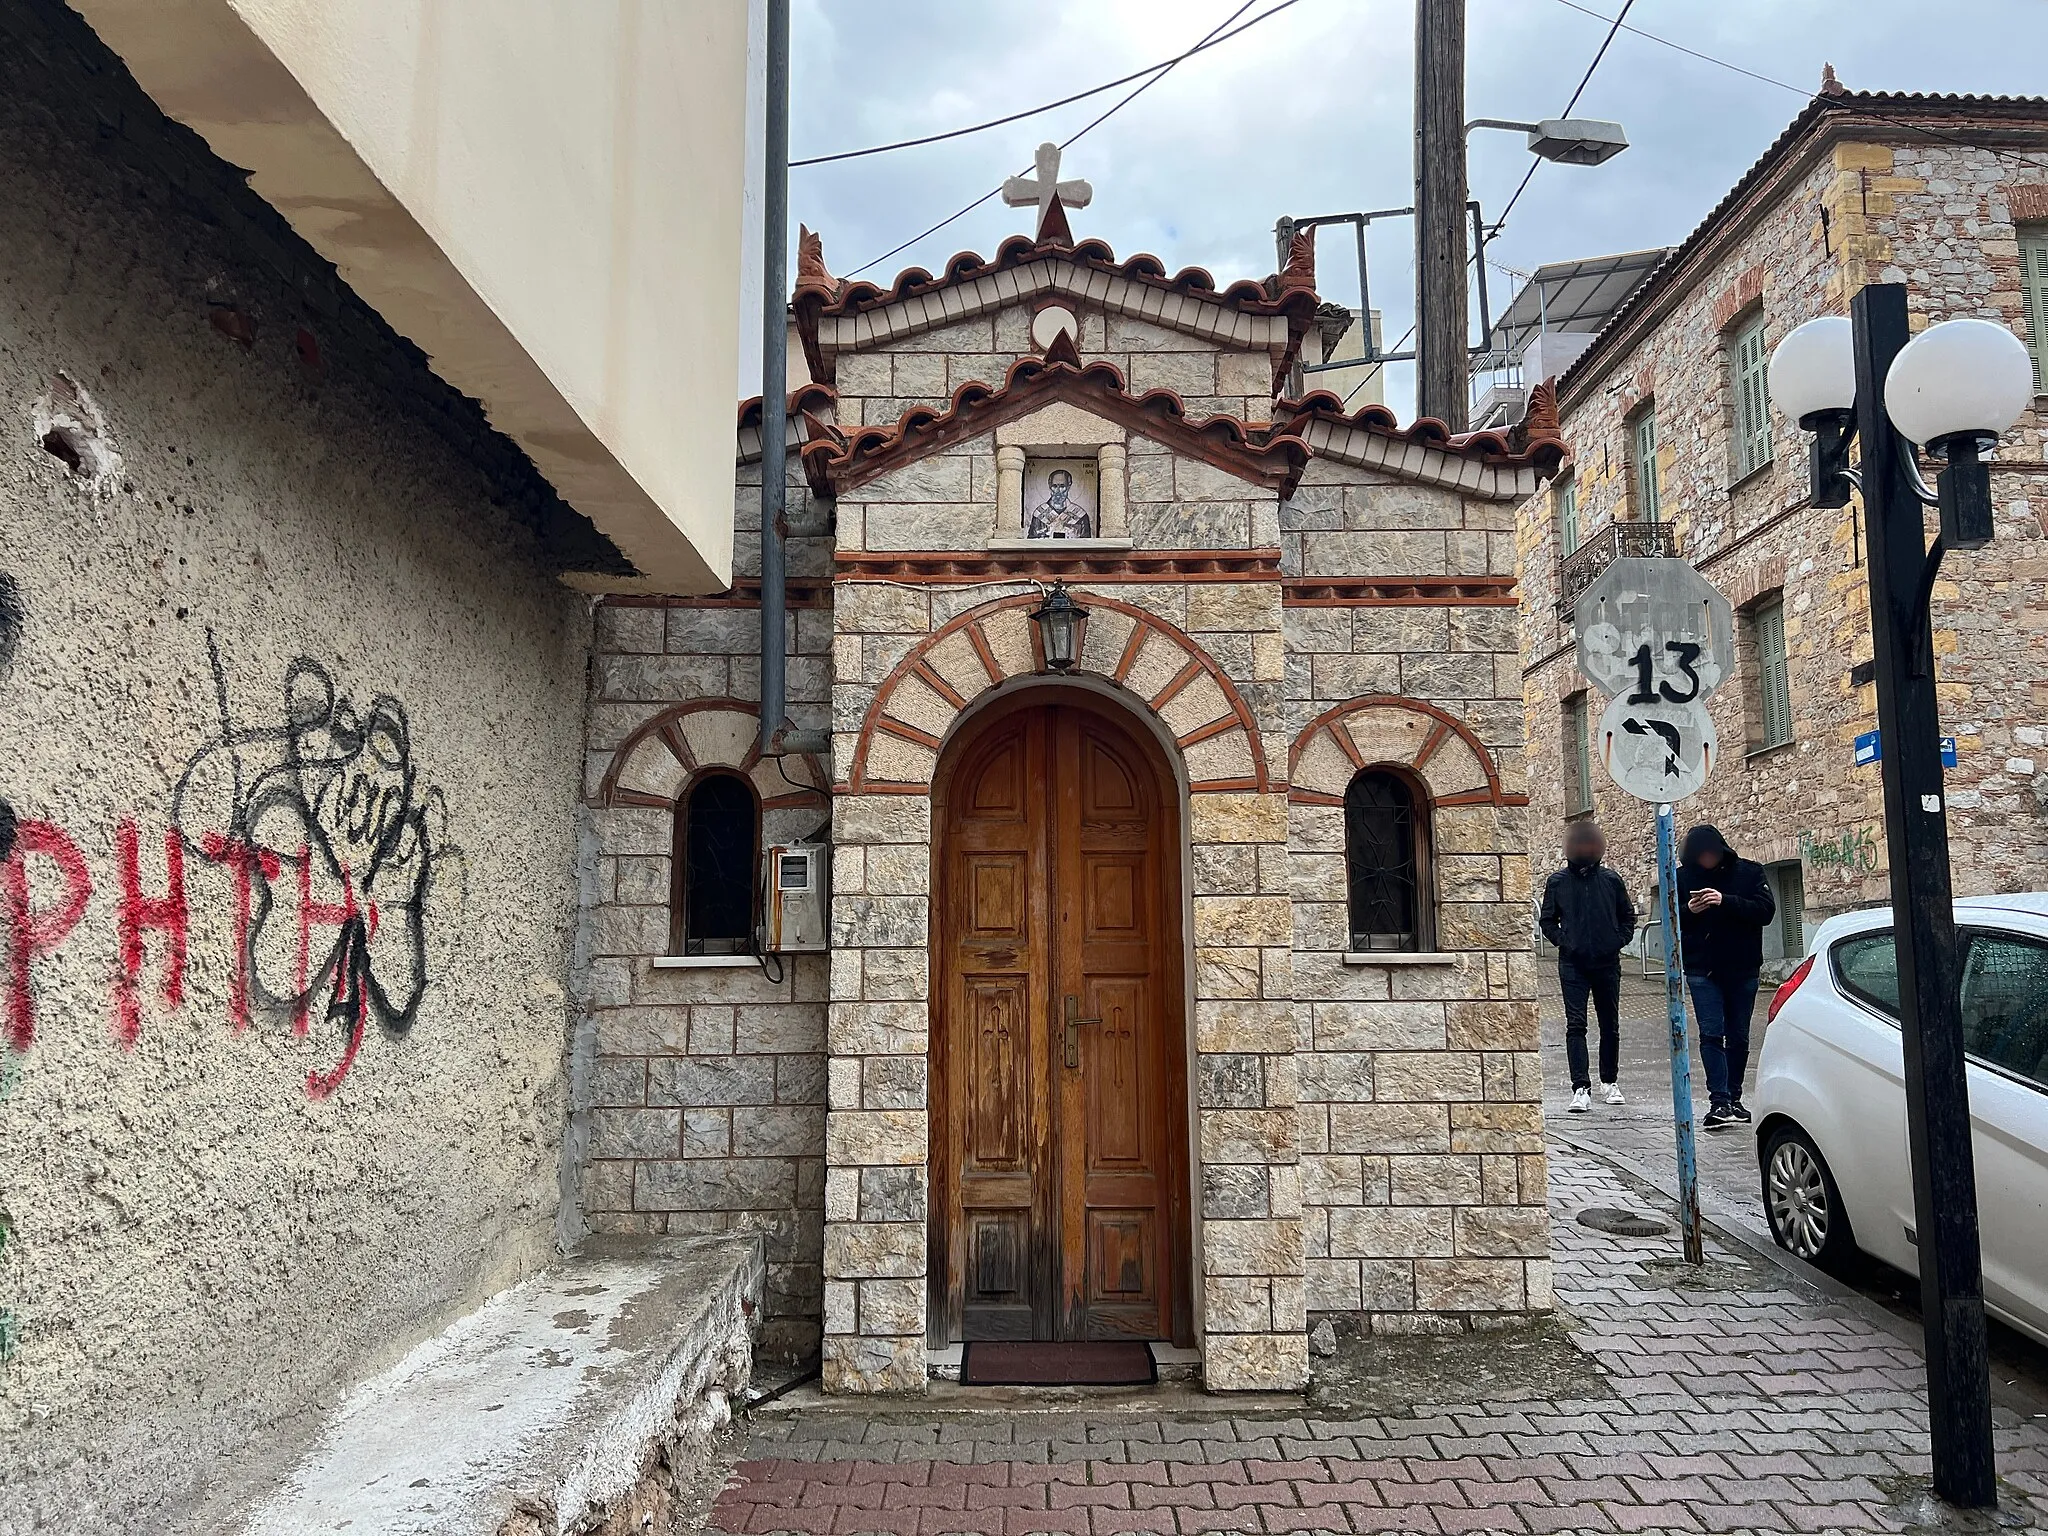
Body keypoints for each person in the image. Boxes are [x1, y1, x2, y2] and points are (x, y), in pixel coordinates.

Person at [1676, 824, 1776, 1131]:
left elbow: (1765, 912)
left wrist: (1725, 900)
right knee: (1711, 1032)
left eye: (1711, 853)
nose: (1707, 859)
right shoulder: (1682, 878)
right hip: (1702, 970)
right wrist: (1689, 909)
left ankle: (1735, 1097)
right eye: (1700, 855)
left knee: (1739, 1035)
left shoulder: (1749, 873)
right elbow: (1672, 922)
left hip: (1743, 968)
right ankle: (1718, 1101)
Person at [1539, 821, 1637, 1114]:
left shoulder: (1610, 880)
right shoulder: (1558, 882)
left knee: (1610, 1024)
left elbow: (1627, 917)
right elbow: (1547, 920)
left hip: (1607, 962)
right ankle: (1580, 1087)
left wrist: (1616, 942)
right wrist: (1565, 943)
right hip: (1573, 964)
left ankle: (1610, 1081)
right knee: (1576, 1025)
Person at [1026, 468, 1093, 539]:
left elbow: (1086, 543)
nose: (1058, 491)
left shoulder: (1080, 515)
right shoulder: (1039, 513)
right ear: (1049, 486)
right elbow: (1032, 541)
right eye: (1054, 486)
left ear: (1068, 486)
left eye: (1062, 486)